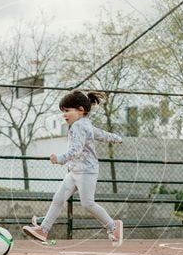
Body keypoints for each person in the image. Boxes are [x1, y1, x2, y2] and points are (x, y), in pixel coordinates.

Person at [22, 90, 124, 246]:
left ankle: (113, 226)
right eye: (63, 111)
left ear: (81, 110)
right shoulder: (84, 124)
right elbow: (100, 134)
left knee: (88, 204)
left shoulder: (79, 126)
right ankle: (43, 229)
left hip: (86, 171)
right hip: (76, 171)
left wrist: (60, 159)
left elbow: (76, 150)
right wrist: (116, 138)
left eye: (67, 111)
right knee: (58, 199)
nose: (64, 115)